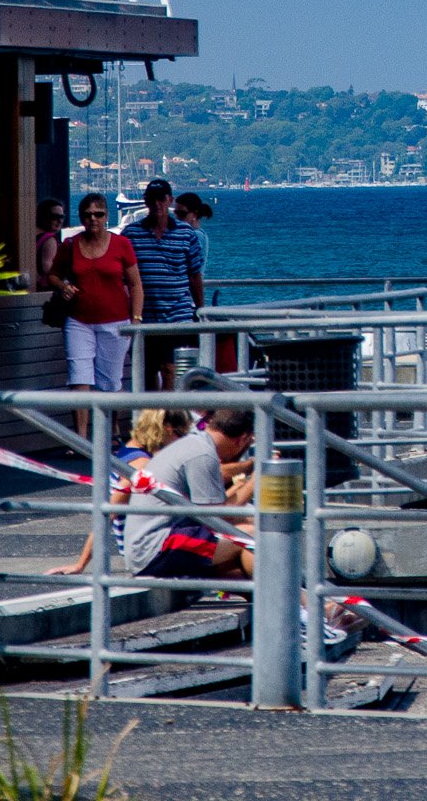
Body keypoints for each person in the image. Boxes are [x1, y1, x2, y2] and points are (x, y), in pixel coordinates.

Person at [123, 405, 258, 581]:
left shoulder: (194, 444)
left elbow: (216, 512)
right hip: (154, 548)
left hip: (152, 545)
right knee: (252, 535)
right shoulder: (202, 454)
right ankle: (285, 602)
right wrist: (256, 480)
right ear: (243, 439)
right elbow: (218, 520)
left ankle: (287, 601)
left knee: (250, 526)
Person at [48, 406, 187, 577]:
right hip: (149, 546)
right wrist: (80, 564)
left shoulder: (127, 451)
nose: (183, 442)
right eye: (182, 436)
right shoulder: (140, 465)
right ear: (168, 429)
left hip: (145, 541)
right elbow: (109, 513)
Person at [49, 193, 143, 432]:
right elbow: (53, 274)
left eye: (98, 214)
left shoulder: (122, 244)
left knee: (110, 381)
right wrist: (63, 287)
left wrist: (136, 319)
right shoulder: (71, 244)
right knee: (79, 377)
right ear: (81, 217)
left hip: (116, 321)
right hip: (78, 320)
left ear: (106, 216)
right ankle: (80, 437)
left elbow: (135, 284)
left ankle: (112, 431)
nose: (93, 219)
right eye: (88, 215)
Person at [125, 179, 206, 390]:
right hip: (145, 315)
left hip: (177, 314)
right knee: (148, 369)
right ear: (146, 201)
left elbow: (194, 275)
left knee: (171, 368)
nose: (157, 204)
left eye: (161, 199)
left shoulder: (186, 234)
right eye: (152, 200)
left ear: (169, 200)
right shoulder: (131, 234)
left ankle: (169, 418)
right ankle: (154, 418)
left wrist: (200, 308)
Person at [32, 199, 69, 292]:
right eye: (55, 217)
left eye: (62, 217)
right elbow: (47, 268)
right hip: (46, 289)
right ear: (43, 217)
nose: (60, 221)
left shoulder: (32, 237)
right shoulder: (50, 240)